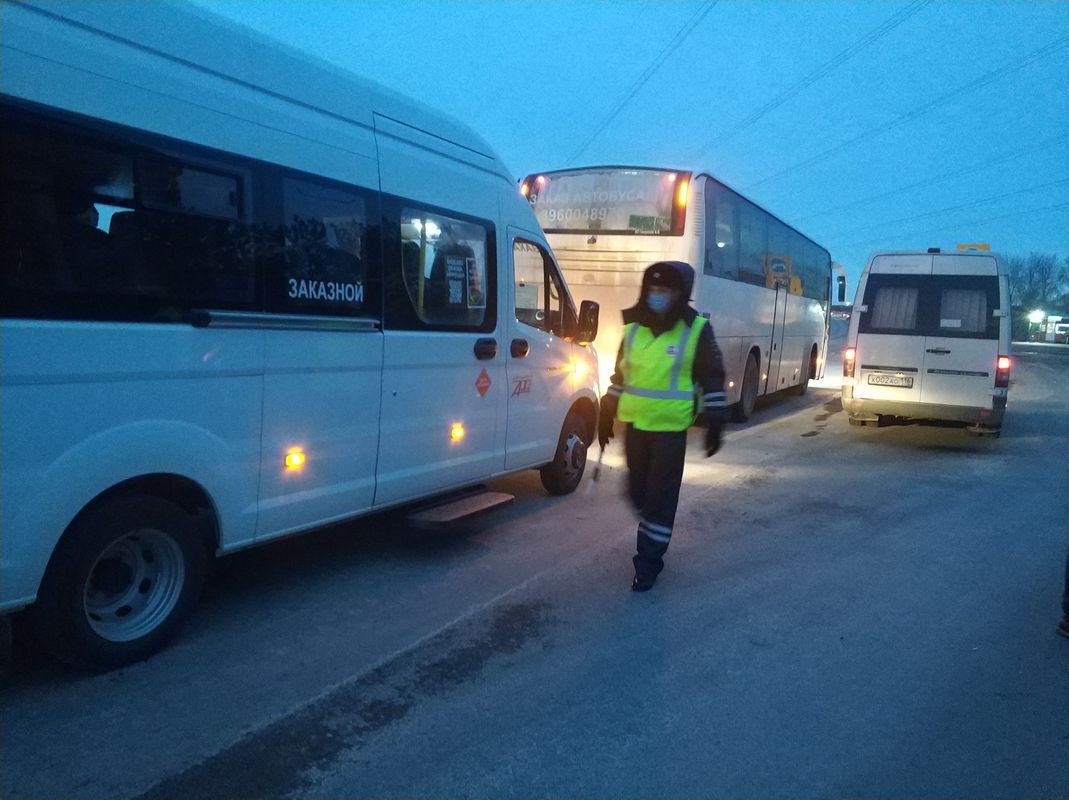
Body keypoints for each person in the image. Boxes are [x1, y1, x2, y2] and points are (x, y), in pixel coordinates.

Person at [598, 260, 726, 591]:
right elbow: (622, 376)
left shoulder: (695, 329)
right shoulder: (633, 328)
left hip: (670, 431)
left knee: (659, 498)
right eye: (653, 289)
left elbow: (711, 375)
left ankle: (648, 564)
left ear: (679, 293)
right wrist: (606, 408)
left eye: (666, 290)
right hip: (636, 428)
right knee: (637, 493)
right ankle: (651, 527)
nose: (658, 296)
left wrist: (715, 420)